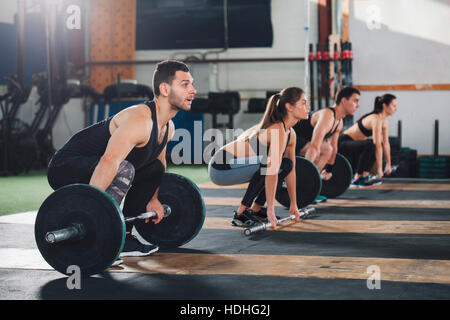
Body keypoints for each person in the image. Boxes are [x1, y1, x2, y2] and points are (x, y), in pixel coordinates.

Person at [47, 60, 196, 258]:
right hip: (65, 167)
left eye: (191, 84)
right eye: (185, 84)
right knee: (124, 169)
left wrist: (153, 200)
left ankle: (124, 235)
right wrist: (89, 211)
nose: (193, 90)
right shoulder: (140, 121)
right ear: (165, 89)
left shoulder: (167, 128)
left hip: (101, 168)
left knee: (153, 169)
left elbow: (158, 164)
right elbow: (109, 161)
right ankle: (105, 235)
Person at [208, 87, 309, 228]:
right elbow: (271, 171)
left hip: (236, 166)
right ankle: (240, 214)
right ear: (289, 107)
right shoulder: (277, 129)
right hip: (220, 166)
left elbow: (290, 171)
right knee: (270, 165)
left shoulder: (290, 133)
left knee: (286, 165)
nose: (308, 107)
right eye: (304, 103)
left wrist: (294, 204)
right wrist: (271, 211)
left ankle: (255, 209)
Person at [293, 86, 360, 200]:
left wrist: (329, 169)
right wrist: (305, 173)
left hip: (303, 143)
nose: (357, 105)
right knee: (324, 148)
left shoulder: (339, 122)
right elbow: (314, 146)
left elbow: (334, 148)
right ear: (344, 100)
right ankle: (304, 185)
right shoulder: (327, 115)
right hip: (289, 138)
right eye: (355, 101)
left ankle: (310, 187)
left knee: (328, 149)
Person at [339, 93, 398, 188]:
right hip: (342, 142)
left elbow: (386, 144)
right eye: (394, 105)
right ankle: (357, 178)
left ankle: (364, 176)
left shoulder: (384, 121)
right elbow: (377, 144)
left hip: (353, 145)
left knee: (373, 145)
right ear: (384, 106)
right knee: (371, 144)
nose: (396, 108)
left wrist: (388, 164)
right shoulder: (375, 119)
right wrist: (379, 168)